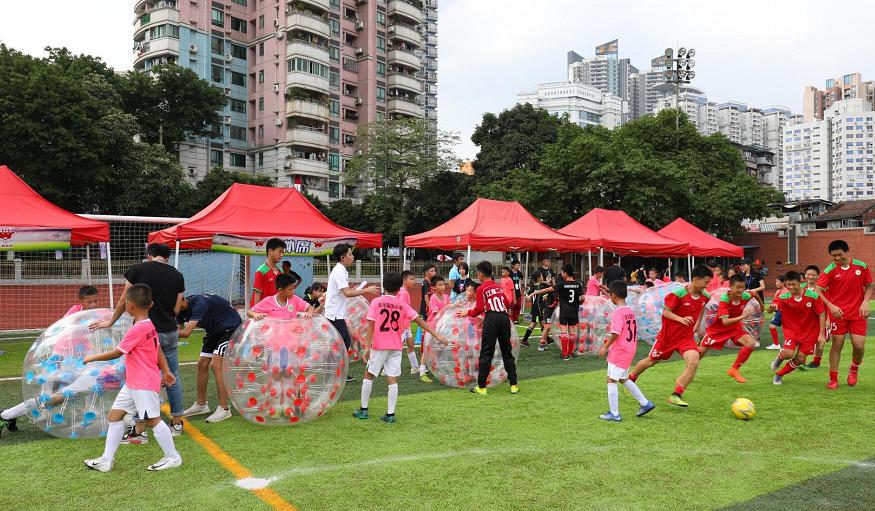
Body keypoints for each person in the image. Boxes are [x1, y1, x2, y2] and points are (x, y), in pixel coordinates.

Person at [90, 243, 185, 441]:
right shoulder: (177, 275)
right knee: (172, 376)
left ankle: (139, 429)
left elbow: (124, 300)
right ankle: (176, 423)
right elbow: (177, 309)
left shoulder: (139, 269)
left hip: (146, 333)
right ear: (166, 258)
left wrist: (110, 321)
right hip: (169, 332)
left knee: (138, 378)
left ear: (149, 256)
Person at [83, 284, 181, 472]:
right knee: (114, 416)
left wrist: (92, 357)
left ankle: (173, 456)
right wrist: (167, 370)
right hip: (133, 383)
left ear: (129, 306)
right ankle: (106, 460)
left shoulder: (138, 328)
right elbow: (157, 348)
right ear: (151, 304)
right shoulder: (148, 324)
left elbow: (116, 353)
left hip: (143, 383)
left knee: (153, 420)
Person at [0, 286, 102, 432]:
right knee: (49, 387)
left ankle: (86, 409)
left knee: (89, 382)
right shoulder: (75, 311)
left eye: (96, 301)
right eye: (89, 302)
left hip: (82, 356)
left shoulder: (96, 314)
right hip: (62, 354)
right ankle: (36, 412)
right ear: (81, 301)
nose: (93, 305)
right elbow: (64, 326)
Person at [352, 272, 447, 423]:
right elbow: (419, 320)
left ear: (384, 285)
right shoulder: (402, 304)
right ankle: (390, 415)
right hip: (396, 346)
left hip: (379, 345)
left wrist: (367, 346)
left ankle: (364, 410)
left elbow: (371, 325)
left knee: (369, 375)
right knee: (392, 379)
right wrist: (436, 335)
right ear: (399, 288)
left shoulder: (376, 302)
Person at [628, 264, 712, 407]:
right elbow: (666, 312)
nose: (707, 285)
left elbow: (702, 308)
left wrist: (697, 325)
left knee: (694, 361)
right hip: (667, 337)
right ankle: (631, 379)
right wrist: (681, 319)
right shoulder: (678, 294)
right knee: (651, 361)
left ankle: (676, 394)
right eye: (706, 282)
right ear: (696, 279)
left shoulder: (705, 296)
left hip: (685, 338)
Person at [815, 240, 873, 389]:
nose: (837, 258)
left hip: (858, 313)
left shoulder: (862, 266)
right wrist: (830, 306)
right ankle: (833, 379)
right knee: (837, 343)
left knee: (859, 346)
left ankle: (854, 367)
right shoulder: (830, 270)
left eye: (839, 255)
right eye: (833, 256)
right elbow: (817, 290)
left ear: (847, 251)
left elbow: (869, 286)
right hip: (838, 314)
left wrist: (865, 301)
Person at [455, 261, 519, 395]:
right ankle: (514, 385)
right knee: (507, 352)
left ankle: (482, 387)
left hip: (491, 319)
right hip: (504, 318)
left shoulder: (481, 288)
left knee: (486, 353)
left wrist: (468, 312)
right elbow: (507, 303)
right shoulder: (499, 286)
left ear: (480, 274)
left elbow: (478, 309)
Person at [177, 293, 242, 424]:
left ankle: (224, 408)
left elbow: (185, 333)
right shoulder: (178, 309)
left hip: (232, 329)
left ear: (180, 299)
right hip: (215, 331)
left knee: (216, 364)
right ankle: (201, 405)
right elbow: (176, 333)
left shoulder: (199, 304)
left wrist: (156, 332)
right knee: (202, 364)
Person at [597, 281, 655, 421]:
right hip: (629, 349)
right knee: (623, 378)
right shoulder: (629, 311)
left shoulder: (618, 312)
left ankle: (614, 413)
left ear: (613, 295)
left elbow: (616, 333)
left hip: (620, 351)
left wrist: (605, 346)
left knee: (611, 379)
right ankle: (645, 403)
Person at [325, 243, 380, 382]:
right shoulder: (338, 271)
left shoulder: (342, 270)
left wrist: (356, 289)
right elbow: (347, 293)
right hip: (334, 315)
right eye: (350, 254)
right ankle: (334, 372)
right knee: (342, 343)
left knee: (344, 342)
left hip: (337, 314)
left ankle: (338, 372)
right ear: (343, 257)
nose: (352, 256)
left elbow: (346, 291)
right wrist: (366, 290)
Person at [698, 274, 758, 383]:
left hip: (734, 327)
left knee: (751, 343)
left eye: (743, 287)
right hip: (717, 329)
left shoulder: (745, 295)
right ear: (730, 287)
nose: (741, 290)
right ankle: (689, 368)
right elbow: (725, 322)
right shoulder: (725, 299)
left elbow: (754, 293)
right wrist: (742, 317)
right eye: (738, 288)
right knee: (699, 355)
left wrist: (762, 307)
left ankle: (734, 369)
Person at [769, 271, 826, 385]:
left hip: (810, 332)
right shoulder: (784, 297)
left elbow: (821, 313)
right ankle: (780, 357)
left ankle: (779, 374)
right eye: (788, 284)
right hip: (792, 331)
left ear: (801, 282)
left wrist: (821, 334)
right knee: (788, 353)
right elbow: (771, 308)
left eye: (793, 284)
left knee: (800, 359)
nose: (790, 287)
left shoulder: (813, 296)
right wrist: (771, 308)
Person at [529, 264, 583, 360]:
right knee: (571, 332)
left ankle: (565, 354)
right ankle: (571, 353)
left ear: (565, 273)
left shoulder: (562, 284)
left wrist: (534, 293)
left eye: (562, 272)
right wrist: (577, 303)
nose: (562, 274)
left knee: (564, 332)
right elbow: (582, 298)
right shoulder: (578, 284)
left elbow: (548, 289)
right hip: (574, 311)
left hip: (564, 311)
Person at [249, 272, 314, 320]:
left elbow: (310, 307)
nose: (293, 291)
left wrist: (309, 313)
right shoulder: (268, 301)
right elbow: (249, 312)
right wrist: (255, 314)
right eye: (290, 289)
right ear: (280, 290)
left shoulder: (295, 299)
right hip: (275, 336)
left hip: (291, 336)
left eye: (294, 288)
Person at [801, 265, 826, 368]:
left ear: (817, 276)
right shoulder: (800, 287)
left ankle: (816, 361)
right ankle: (801, 361)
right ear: (805, 275)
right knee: (803, 340)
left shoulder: (821, 289)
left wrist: (828, 320)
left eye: (813, 275)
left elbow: (827, 305)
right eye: (808, 274)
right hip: (805, 319)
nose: (810, 277)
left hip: (819, 318)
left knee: (819, 341)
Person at [399, 270, 421, 376]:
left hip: (406, 325)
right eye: (411, 279)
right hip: (402, 326)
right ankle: (386, 369)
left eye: (414, 279)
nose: (413, 281)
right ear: (404, 280)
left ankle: (415, 367)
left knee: (410, 345)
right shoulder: (403, 292)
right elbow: (402, 309)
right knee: (397, 348)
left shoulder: (403, 291)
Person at [252, 238, 285, 305]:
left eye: (283, 252)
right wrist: (257, 313)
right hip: (263, 312)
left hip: (275, 310)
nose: (282, 255)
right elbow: (257, 295)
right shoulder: (261, 271)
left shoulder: (280, 271)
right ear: (270, 251)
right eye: (280, 251)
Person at [521, 273, 548, 348]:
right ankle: (525, 340)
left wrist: (529, 297)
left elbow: (527, 295)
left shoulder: (532, 287)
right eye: (542, 276)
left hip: (535, 309)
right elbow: (544, 299)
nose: (543, 277)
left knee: (542, 324)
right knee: (536, 324)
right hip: (539, 309)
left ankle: (546, 339)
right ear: (539, 278)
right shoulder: (541, 287)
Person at [414, 264, 437, 347]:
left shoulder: (430, 282)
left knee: (429, 326)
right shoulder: (426, 283)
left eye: (434, 271)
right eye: (432, 271)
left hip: (429, 307)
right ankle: (424, 346)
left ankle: (427, 344)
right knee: (427, 326)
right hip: (427, 309)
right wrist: (430, 308)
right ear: (426, 273)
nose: (434, 272)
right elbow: (426, 297)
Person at [766, 276, 786, 351]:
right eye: (775, 281)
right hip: (778, 311)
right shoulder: (778, 291)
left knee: (774, 326)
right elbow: (774, 301)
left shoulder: (786, 291)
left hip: (783, 312)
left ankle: (778, 345)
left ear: (783, 282)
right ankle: (776, 344)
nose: (776, 283)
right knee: (772, 326)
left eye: (777, 281)